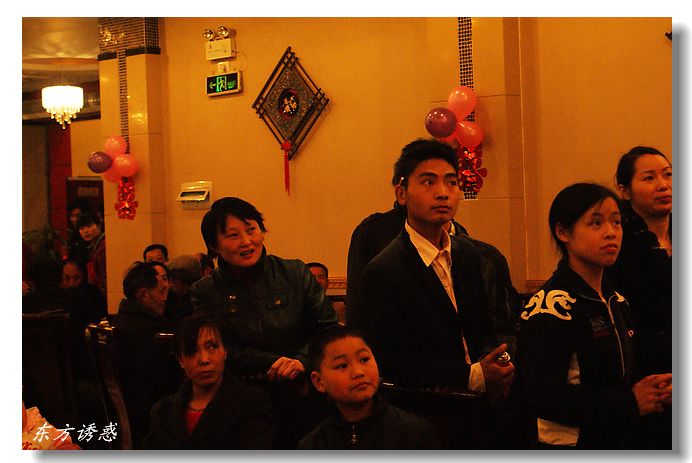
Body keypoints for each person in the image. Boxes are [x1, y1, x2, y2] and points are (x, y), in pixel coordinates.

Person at [515, 182, 672, 449]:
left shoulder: (616, 300)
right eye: (596, 224)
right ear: (563, 232)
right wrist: (629, 402)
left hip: (615, 438)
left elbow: (618, 374)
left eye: (616, 222)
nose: (611, 233)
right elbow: (542, 396)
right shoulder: (551, 306)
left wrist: (656, 390)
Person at [352, 139, 514, 394]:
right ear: (401, 194)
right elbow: (390, 359)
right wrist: (472, 375)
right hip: (425, 405)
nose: (442, 193)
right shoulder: (384, 271)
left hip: (481, 402)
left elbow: (485, 329)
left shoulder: (469, 255)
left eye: (451, 182)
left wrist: (496, 362)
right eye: (428, 182)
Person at [190, 197, 338, 447]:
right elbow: (213, 346)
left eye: (251, 230)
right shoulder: (205, 291)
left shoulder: (294, 273)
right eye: (233, 235)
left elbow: (328, 328)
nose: (247, 242)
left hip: (303, 393)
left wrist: (301, 360)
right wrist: (269, 362)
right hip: (243, 400)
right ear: (214, 246)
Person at [607, 146, 673, 449]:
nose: (663, 185)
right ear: (624, 190)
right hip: (646, 379)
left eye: (668, 175)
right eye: (649, 178)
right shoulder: (618, 246)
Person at [298, 325, 440, 449]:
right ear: (319, 382)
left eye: (364, 359)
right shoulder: (313, 446)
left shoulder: (415, 434)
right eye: (342, 365)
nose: (358, 372)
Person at [143, 315, 275, 449]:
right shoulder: (162, 412)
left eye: (212, 347)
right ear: (180, 360)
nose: (204, 359)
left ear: (225, 351)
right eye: (192, 351)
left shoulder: (251, 403)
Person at [113, 261, 181, 449]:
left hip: (130, 414)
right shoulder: (150, 333)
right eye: (160, 291)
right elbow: (166, 383)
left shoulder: (122, 321)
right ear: (144, 294)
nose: (165, 297)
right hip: (150, 416)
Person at [76, 212, 107, 299]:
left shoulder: (103, 247)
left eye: (89, 226)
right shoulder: (93, 248)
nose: (86, 231)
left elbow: (105, 278)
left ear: (99, 226)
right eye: (82, 228)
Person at [165, 254, 203, 323]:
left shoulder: (189, 304)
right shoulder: (204, 292)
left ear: (178, 281)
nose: (169, 285)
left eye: (171, 280)